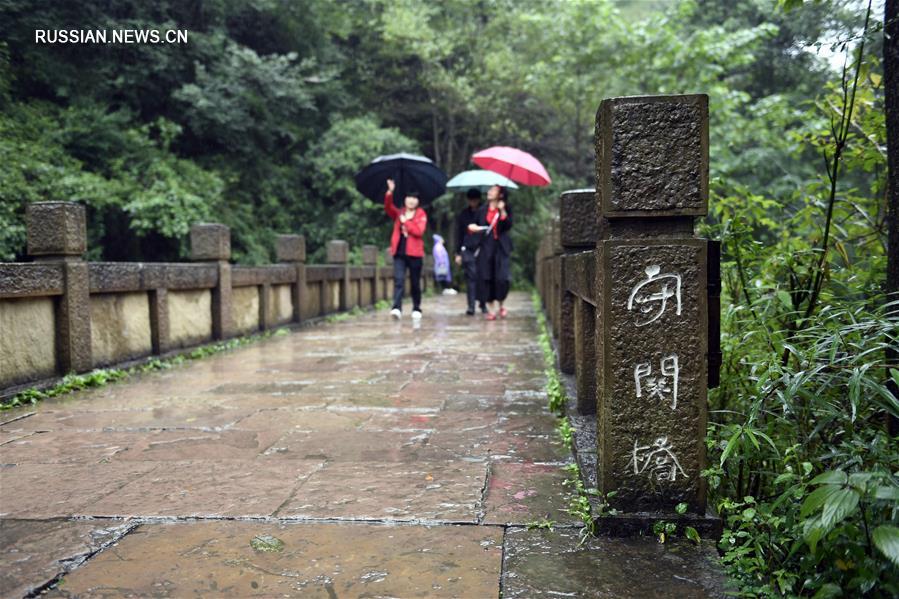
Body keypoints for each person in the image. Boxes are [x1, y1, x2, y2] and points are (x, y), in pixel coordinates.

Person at [385, 178, 427, 320]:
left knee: (415, 282)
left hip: (415, 254)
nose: (411, 200)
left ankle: (416, 307)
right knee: (399, 280)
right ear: (404, 199)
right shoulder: (399, 213)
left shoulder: (421, 214)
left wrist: (406, 223)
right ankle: (396, 307)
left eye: (414, 198)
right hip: (399, 252)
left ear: (418, 201)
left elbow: (419, 231)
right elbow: (388, 207)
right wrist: (390, 192)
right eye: (409, 197)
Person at [469, 184, 512, 320]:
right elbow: (473, 225)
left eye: (493, 190)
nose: (489, 192)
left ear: (500, 194)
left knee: (501, 278)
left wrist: (503, 211)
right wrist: (473, 228)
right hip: (486, 247)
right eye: (490, 190)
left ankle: (501, 305)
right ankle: (491, 310)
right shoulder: (482, 210)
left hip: (501, 247)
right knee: (487, 277)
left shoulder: (505, 208)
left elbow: (508, 225)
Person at [455, 187, 487, 315]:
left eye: (475, 200)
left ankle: (483, 304)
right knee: (470, 278)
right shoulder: (463, 215)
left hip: (482, 248)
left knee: (482, 277)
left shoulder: (484, 212)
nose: (472, 202)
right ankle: (471, 306)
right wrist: (457, 253)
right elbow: (459, 234)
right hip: (467, 249)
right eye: (470, 200)